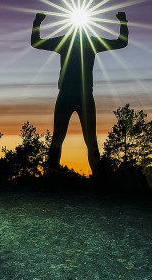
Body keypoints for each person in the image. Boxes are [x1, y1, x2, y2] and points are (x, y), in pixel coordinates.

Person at [31, 10, 128, 173]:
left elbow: (36, 42)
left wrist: (37, 22)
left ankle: (95, 176)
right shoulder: (88, 42)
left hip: (74, 95)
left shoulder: (71, 42)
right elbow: (121, 42)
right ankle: (91, 176)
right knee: (73, 138)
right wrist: (123, 22)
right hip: (78, 95)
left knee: (75, 138)